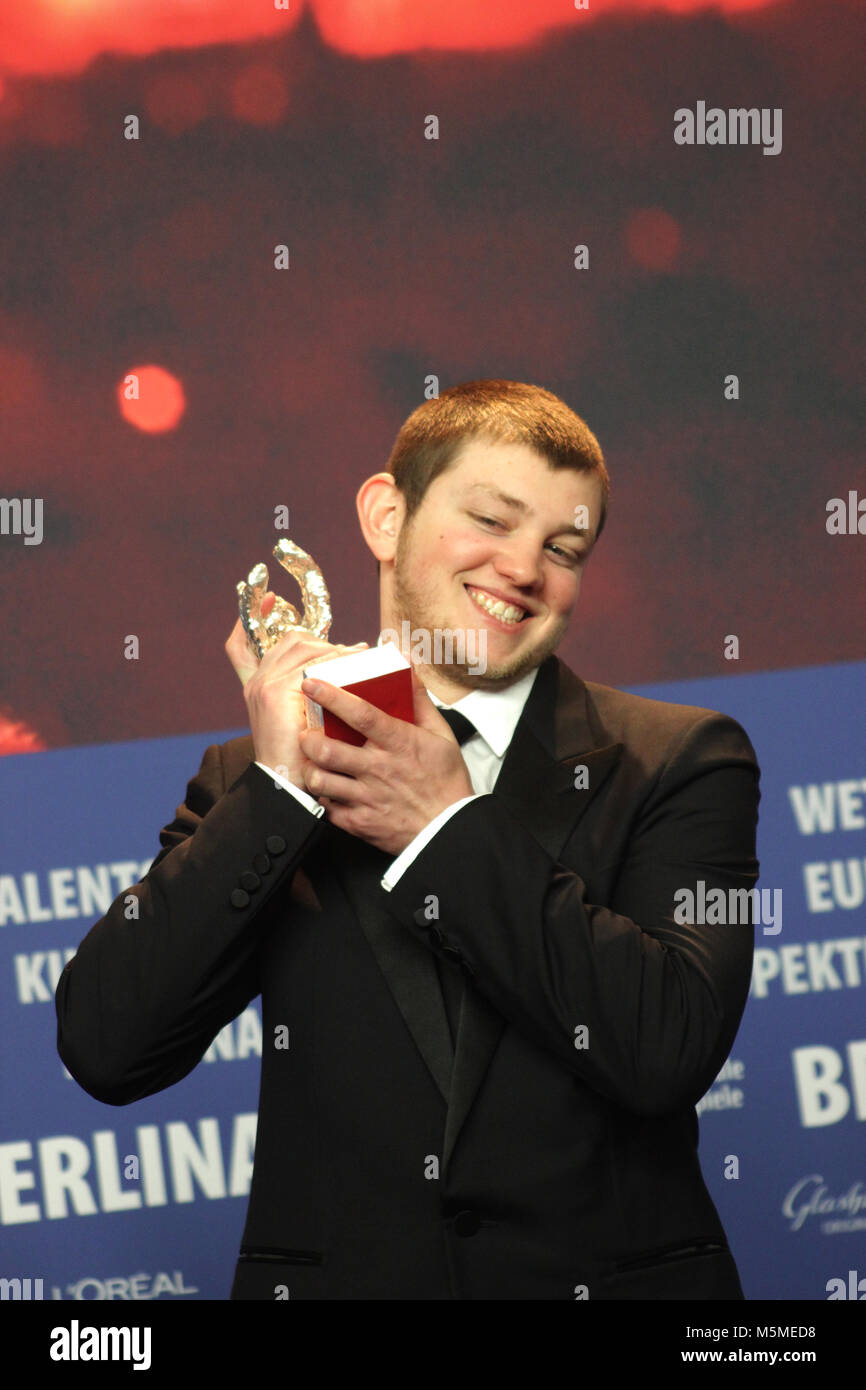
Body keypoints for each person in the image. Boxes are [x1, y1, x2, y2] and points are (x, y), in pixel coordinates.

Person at [55, 379, 760, 1300]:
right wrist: (279, 792)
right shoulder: (252, 778)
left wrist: (445, 824)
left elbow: (664, 1050)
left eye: (564, 547)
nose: (523, 569)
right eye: (492, 520)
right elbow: (109, 1049)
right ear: (387, 516)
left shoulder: (681, 759)